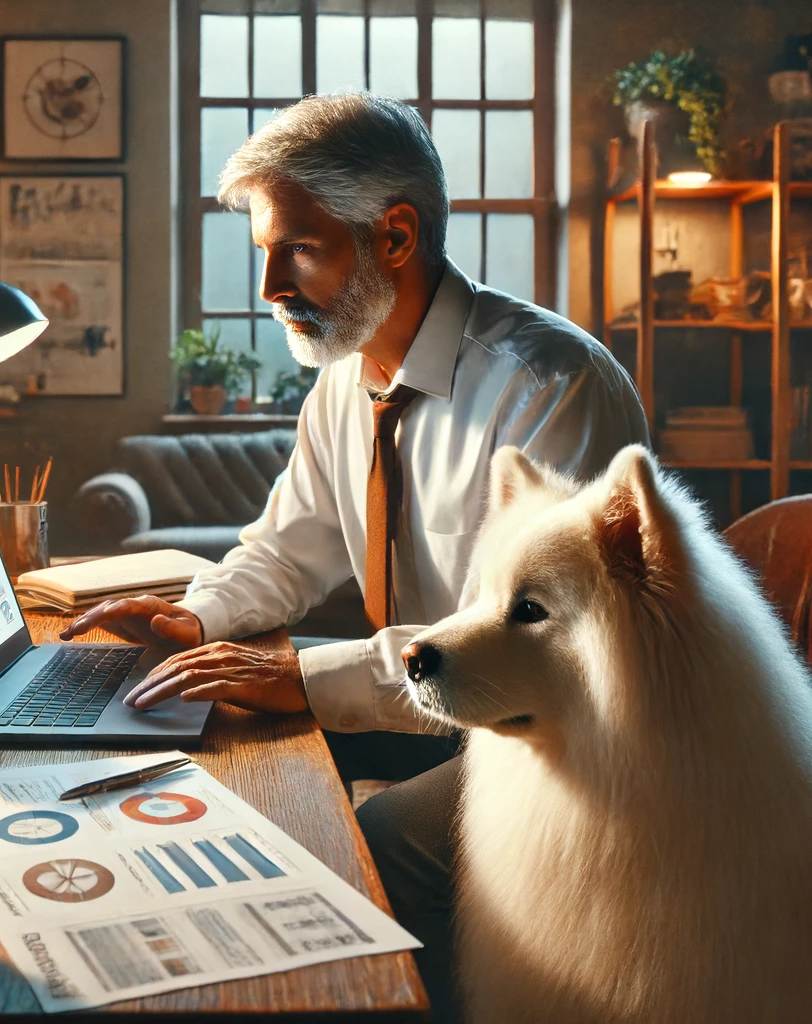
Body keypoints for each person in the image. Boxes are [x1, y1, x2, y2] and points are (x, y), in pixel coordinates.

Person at [60, 92, 649, 1020]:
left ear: (397, 238)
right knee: (217, 742)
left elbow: (543, 648)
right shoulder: (344, 383)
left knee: (380, 837)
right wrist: (198, 617)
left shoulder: (547, 388)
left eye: (297, 250)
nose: (268, 288)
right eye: (264, 252)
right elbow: (285, 549)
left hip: (553, 731)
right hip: (431, 695)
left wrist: (301, 674)